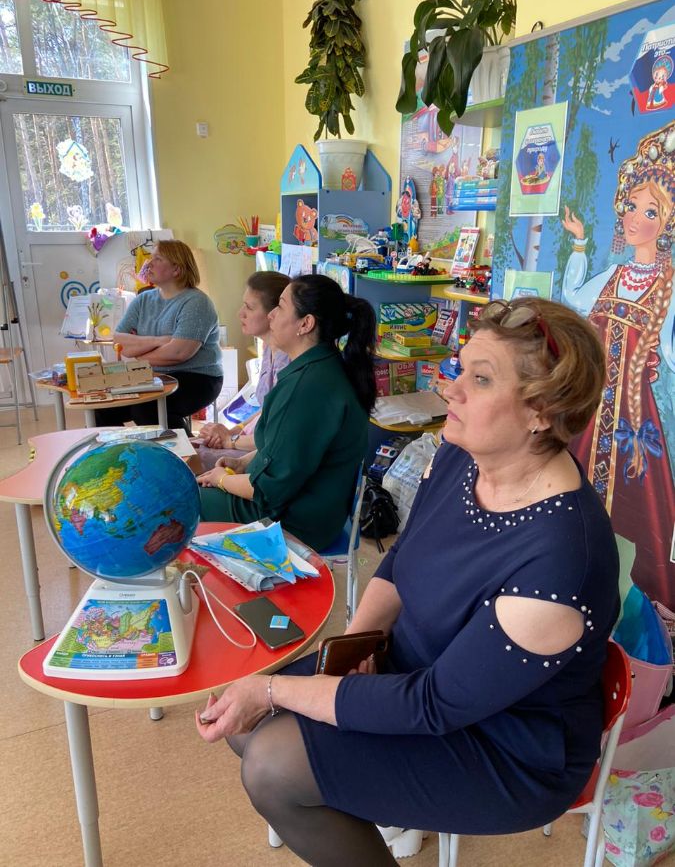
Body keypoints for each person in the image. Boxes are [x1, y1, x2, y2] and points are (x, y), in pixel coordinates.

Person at [195, 297, 620, 867]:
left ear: (541, 411)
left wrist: (273, 690)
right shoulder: (462, 456)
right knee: (248, 728)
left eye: (480, 379)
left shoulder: (560, 558)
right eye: (459, 369)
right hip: (414, 671)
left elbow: (435, 705)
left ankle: (372, 800)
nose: (450, 389)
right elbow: (400, 561)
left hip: (506, 745)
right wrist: (355, 649)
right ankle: (372, 799)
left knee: (274, 762)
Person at [561, 118, 675, 604]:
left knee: (638, 512)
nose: (634, 218)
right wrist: (579, 243)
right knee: (575, 495)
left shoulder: (668, 285)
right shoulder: (614, 273)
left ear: (666, 223)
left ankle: (639, 605)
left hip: (634, 418)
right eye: (631, 205)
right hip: (593, 409)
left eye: (649, 211)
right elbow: (572, 298)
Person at [196, 274, 376, 552]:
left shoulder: (308, 387)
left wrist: (221, 479)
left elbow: (267, 492)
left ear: (306, 324)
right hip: (306, 508)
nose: (271, 315)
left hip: (293, 522)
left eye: (280, 306)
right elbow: (283, 449)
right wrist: (242, 463)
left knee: (184, 500)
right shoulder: (320, 368)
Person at [95, 240, 223, 431]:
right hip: (152, 375)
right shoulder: (143, 299)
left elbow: (179, 353)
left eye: (158, 259)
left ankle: (186, 449)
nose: (149, 263)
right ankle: (122, 449)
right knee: (103, 408)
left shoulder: (196, 302)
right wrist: (160, 341)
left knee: (146, 408)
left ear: (176, 269)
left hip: (197, 377)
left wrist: (138, 353)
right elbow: (120, 341)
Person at [196, 271, 291, 470]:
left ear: (274, 314)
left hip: (267, 454)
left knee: (191, 459)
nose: (241, 313)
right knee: (191, 446)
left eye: (249, 307)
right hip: (253, 441)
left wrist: (231, 441)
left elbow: (278, 437)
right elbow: (267, 409)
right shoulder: (269, 348)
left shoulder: (289, 360)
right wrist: (233, 431)